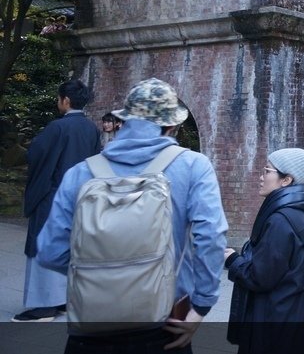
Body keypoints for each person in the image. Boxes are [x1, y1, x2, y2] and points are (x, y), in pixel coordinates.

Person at [37, 78, 228, 352]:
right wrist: (201, 306)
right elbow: (210, 238)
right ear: (171, 126)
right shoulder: (193, 166)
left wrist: (101, 276)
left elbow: (49, 252)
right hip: (164, 326)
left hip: (91, 325)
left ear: (122, 122)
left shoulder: (80, 173)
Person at [224, 148, 304, 354]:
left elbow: (260, 278)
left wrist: (233, 259)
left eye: (267, 171)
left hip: (281, 324)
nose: (261, 177)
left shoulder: (280, 220)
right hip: (297, 318)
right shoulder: (299, 213)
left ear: (286, 180)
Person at [16, 79, 101, 323]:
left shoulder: (57, 127)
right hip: (80, 197)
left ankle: (43, 306)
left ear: (65, 100)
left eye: (59, 98)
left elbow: (36, 155)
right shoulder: (91, 129)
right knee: (69, 246)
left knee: (42, 243)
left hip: (52, 196)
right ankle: (63, 300)